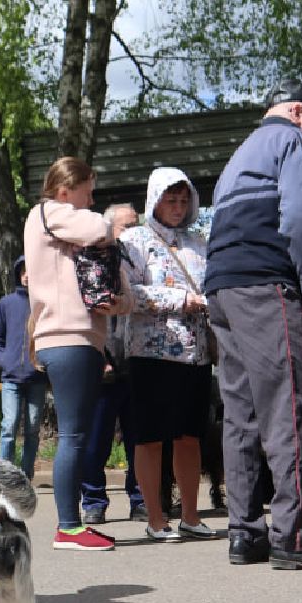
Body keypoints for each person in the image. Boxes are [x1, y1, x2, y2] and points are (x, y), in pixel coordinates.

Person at [204, 80, 302, 570]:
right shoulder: (297, 142)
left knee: (241, 414)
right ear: (298, 111)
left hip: (223, 289)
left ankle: (244, 533)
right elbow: (301, 216)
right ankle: (298, 537)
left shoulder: (240, 154)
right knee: (289, 405)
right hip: (265, 284)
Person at [23, 156, 131, 552]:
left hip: (79, 339)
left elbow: (123, 295)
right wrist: (111, 221)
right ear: (66, 189)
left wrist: (116, 303)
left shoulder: (63, 228)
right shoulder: (48, 212)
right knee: (72, 435)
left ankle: (72, 525)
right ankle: (68, 527)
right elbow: (99, 226)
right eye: (88, 191)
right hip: (65, 337)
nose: (90, 200)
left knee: (77, 434)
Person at [120, 169, 215, 542]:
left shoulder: (199, 243)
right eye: (170, 200)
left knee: (190, 436)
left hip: (196, 355)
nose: (177, 208)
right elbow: (130, 295)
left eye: (183, 201)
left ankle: (191, 516)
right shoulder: (134, 240)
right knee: (149, 438)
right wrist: (181, 300)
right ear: (154, 200)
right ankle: (156, 519)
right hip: (151, 354)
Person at [79, 203, 145, 526]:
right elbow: (86, 313)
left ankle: (141, 499)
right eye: (126, 226)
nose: (133, 232)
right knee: (96, 442)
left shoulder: (140, 258)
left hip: (137, 363)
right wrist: (100, 357)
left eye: (136, 225)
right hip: (104, 369)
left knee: (139, 441)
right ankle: (93, 500)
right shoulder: (93, 260)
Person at [0, 255, 48, 480]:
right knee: (8, 427)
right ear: (18, 275)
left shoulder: (43, 306)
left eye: (31, 271)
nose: (27, 276)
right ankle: (4, 477)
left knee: (32, 429)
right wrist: (6, 361)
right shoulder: (6, 304)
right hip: (11, 378)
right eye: (23, 271)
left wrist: (43, 364)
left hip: (37, 378)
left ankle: (25, 476)